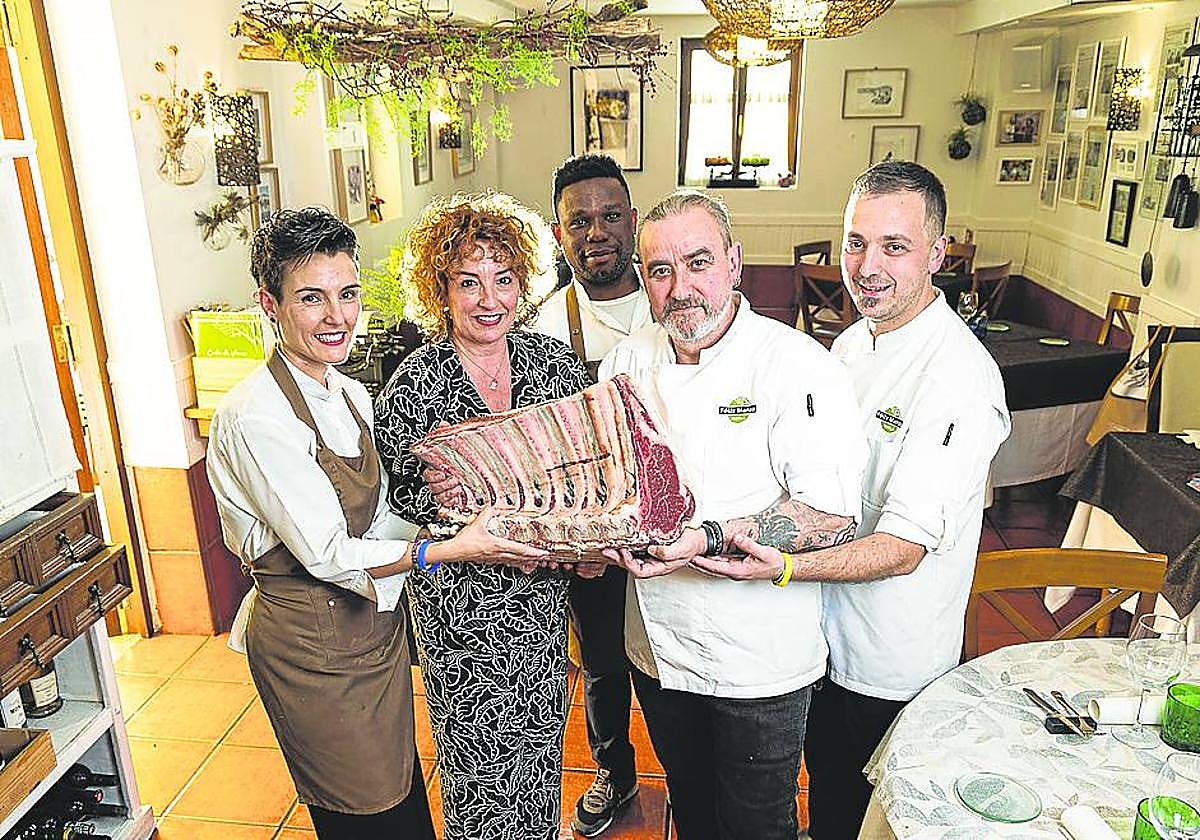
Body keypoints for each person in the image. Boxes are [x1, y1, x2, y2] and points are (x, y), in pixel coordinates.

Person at [691, 162, 1011, 839]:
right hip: (825, 640)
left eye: (894, 246)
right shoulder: (850, 342)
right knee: (829, 798)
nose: (867, 265)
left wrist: (778, 568)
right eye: (856, 242)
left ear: (936, 254)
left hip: (890, 662)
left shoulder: (958, 377)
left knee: (866, 819)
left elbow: (901, 548)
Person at [207, 207, 545, 840]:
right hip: (311, 647)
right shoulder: (256, 416)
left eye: (348, 294)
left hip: (373, 633)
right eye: (312, 299)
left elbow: (386, 517)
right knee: (368, 818)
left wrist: (450, 498)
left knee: (401, 799)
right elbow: (330, 554)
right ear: (269, 304)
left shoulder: (349, 394)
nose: (337, 317)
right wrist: (453, 548)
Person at [600, 189, 869, 840]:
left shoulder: (795, 364)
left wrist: (709, 539)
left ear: (734, 263)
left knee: (757, 826)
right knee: (691, 810)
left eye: (698, 263)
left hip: (760, 662)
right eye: (660, 272)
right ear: (642, 280)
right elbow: (614, 480)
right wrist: (607, 529)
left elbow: (831, 515)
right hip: (659, 650)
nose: (681, 288)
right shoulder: (626, 361)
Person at [373, 192, 594, 840]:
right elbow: (393, 511)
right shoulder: (413, 385)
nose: (488, 298)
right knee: (480, 776)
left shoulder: (551, 365)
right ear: (440, 288)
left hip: (540, 612)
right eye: (468, 281)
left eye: (502, 279)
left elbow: (585, 470)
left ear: (522, 283)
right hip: (462, 619)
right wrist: (444, 502)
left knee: (539, 757)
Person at [533, 153, 653, 836]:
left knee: (674, 655)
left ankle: (692, 770)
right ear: (560, 235)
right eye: (580, 220)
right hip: (593, 532)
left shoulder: (670, 301)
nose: (597, 231)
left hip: (676, 524)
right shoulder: (547, 326)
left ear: (632, 222)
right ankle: (614, 770)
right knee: (604, 660)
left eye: (611, 216)